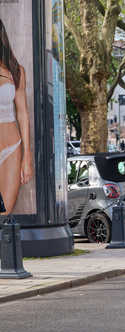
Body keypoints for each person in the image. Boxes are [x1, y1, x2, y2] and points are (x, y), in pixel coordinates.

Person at [0, 18, 33, 214]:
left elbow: (23, 114)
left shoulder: (15, 71)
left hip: (11, 149)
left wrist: (26, 155)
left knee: (4, 216)